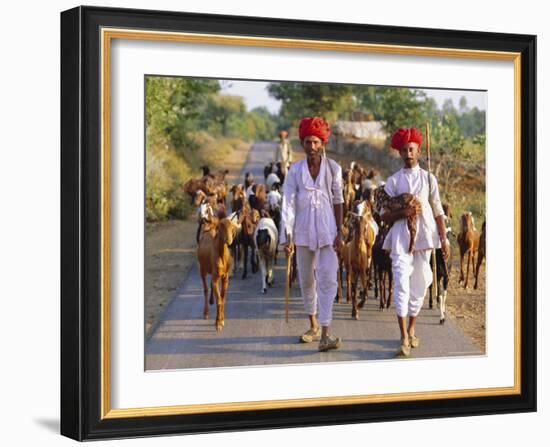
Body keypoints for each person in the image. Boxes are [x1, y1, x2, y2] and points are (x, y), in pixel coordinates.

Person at [380, 127, 449, 357]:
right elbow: (383, 214)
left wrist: (444, 239)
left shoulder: (429, 178)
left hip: (425, 237)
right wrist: (404, 212)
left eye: (412, 149)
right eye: (404, 150)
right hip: (400, 238)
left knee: (421, 282)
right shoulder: (393, 181)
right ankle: (402, 337)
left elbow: (438, 209)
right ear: (399, 153)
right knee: (401, 284)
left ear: (418, 151)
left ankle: (412, 328)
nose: (408, 153)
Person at [280, 117, 344, 352]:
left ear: (322, 143)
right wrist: (287, 236)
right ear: (303, 144)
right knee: (307, 280)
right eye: (308, 142)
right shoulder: (295, 171)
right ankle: (313, 324)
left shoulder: (333, 168)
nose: (312, 147)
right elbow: (287, 204)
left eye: (316, 142)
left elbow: (338, 201)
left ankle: (326, 333)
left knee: (328, 280)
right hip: (303, 233)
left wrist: (339, 232)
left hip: (328, 233)